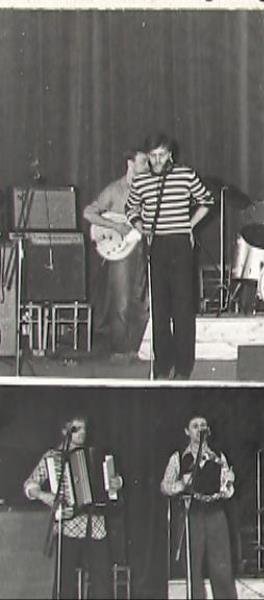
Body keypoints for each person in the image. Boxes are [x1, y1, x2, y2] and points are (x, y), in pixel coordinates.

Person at [125, 133, 214, 379]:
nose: (157, 160)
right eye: (153, 156)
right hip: (157, 245)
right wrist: (141, 226)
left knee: (183, 308)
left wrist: (189, 226)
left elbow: (207, 200)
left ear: (170, 155)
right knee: (160, 308)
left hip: (180, 244)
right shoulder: (141, 181)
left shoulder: (185, 175)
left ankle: (184, 367)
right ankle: (163, 364)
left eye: (161, 155)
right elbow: (130, 207)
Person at [23, 416, 124, 599]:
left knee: (103, 583)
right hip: (68, 527)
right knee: (65, 584)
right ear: (65, 431)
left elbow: (112, 484)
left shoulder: (96, 454)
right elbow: (30, 484)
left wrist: (117, 482)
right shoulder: (53, 456)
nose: (82, 433)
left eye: (84, 428)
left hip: (96, 526)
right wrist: (44, 495)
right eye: (76, 429)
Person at [83, 149, 150, 362]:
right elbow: (88, 212)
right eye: (143, 162)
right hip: (121, 252)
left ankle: (135, 350)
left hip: (142, 250)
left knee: (141, 303)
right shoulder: (114, 190)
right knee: (121, 302)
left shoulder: (148, 190)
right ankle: (119, 351)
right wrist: (115, 226)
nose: (148, 166)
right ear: (130, 164)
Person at [160, 415, 237, 600]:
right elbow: (164, 486)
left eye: (203, 425)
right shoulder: (179, 457)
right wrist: (181, 484)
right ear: (187, 431)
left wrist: (229, 482)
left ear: (208, 430)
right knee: (192, 568)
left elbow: (227, 492)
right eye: (195, 426)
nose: (200, 429)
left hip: (216, 513)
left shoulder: (218, 456)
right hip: (192, 514)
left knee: (222, 568)